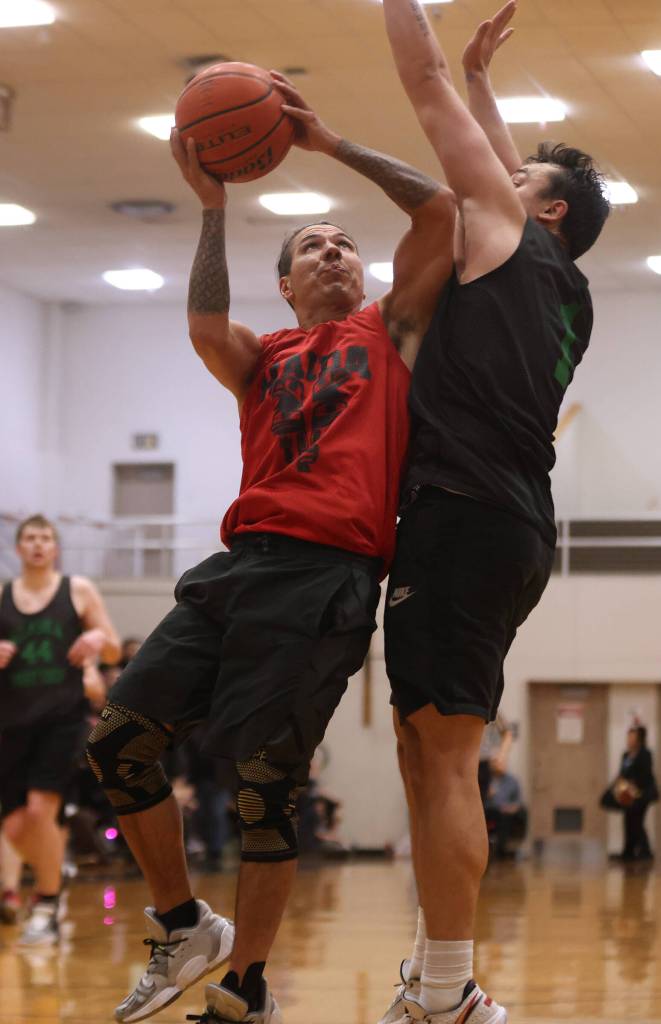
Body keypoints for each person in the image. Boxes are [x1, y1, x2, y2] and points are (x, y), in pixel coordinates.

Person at [86, 74, 455, 1024]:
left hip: (326, 576)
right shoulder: (263, 360)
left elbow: (441, 209)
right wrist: (213, 207)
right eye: (309, 248)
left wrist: (328, 144)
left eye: (344, 245)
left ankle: (246, 989)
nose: (331, 250)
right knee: (120, 743)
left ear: (361, 277)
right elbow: (205, 323)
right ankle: (181, 925)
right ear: (285, 285)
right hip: (237, 568)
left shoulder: (390, 330)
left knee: (263, 791)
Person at [379, 2, 611, 1022]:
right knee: (422, 746)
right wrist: (485, 84)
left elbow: (420, 90)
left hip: (462, 513)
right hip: (507, 525)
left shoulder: (517, 239)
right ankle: (437, 974)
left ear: (545, 212)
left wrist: (437, 56)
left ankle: (448, 994)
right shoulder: (565, 289)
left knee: (443, 762)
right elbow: (507, 171)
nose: (495, 174)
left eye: (518, 181)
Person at [0, 514, 121, 945]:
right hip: (11, 722)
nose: (37, 545)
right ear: (18, 549)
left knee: (40, 810)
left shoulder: (78, 590)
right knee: (14, 829)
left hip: (59, 718)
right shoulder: (3, 596)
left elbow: (110, 646)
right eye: (30, 538)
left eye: (45, 538)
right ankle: (56, 873)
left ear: (55, 548)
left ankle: (47, 901)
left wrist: (95, 642)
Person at [600, 725, 659, 861]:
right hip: (628, 794)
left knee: (637, 822)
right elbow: (622, 774)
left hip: (642, 795)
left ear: (639, 738)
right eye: (628, 736)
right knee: (628, 821)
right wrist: (615, 786)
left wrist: (634, 785)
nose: (629, 739)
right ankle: (628, 852)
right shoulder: (626, 755)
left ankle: (645, 852)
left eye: (632, 736)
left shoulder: (645, 754)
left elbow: (645, 776)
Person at [484, 764, 526, 860]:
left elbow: (518, 800)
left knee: (507, 816)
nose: (500, 766)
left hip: (506, 811)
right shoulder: (486, 780)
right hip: (489, 809)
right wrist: (487, 794)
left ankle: (501, 849)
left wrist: (513, 807)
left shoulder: (512, 781)